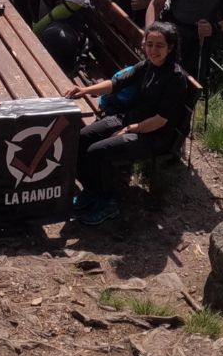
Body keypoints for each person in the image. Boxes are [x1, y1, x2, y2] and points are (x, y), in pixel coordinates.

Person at [61, 22, 198, 225]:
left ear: (170, 48)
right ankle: (93, 191)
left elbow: (161, 120)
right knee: (81, 138)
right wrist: (84, 91)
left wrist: (132, 128)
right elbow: (117, 83)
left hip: (152, 135)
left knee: (97, 151)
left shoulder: (175, 79)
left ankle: (109, 203)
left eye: (159, 46)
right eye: (149, 44)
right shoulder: (147, 66)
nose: (153, 50)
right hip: (129, 119)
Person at [32, 0, 93, 76]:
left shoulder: (59, 11)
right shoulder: (83, 20)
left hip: (41, 55)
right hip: (63, 69)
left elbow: (35, 31)